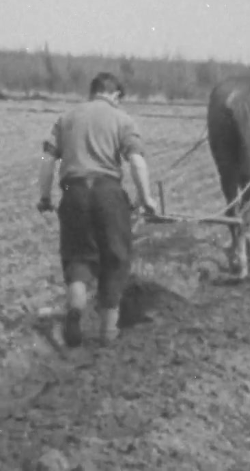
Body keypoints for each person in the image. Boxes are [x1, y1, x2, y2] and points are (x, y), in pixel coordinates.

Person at [36, 72, 158, 347]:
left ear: (93, 92)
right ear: (114, 95)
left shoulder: (66, 118)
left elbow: (47, 160)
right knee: (115, 259)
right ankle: (108, 333)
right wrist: (146, 198)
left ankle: (75, 312)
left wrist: (45, 197)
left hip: (73, 193)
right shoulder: (122, 120)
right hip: (108, 193)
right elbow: (136, 161)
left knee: (78, 258)